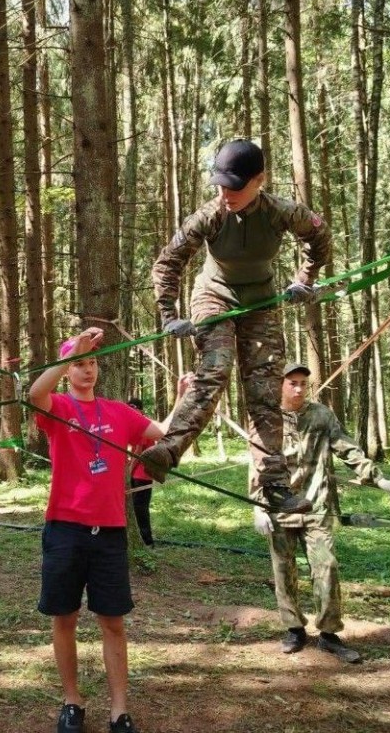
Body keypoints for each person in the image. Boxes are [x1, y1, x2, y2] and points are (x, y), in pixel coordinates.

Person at [140, 138, 332, 515]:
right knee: (215, 369)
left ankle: (274, 485)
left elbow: (319, 237)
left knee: (263, 391)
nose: (226, 193)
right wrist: (169, 316)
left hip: (260, 302)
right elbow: (167, 263)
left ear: (259, 180)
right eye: (221, 185)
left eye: (236, 186)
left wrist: (304, 279)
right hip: (214, 297)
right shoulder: (210, 216)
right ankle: (169, 448)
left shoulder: (282, 212)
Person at [30, 327, 188, 733]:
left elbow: (162, 431)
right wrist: (69, 353)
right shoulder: (59, 407)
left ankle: (119, 709)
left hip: (111, 530)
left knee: (112, 622)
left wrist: (182, 397)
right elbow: (34, 394)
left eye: (92, 362)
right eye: (79, 363)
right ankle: (72, 702)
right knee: (64, 618)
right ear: (67, 370)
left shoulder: (118, 411)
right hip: (65, 528)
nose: (87, 370)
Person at [252, 362, 390, 663]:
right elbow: (255, 464)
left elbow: (348, 450)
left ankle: (329, 633)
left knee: (327, 567)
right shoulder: (267, 418)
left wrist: (380, 479)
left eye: (302, 383)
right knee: (283, 571)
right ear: (279, 384)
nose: (298, 388)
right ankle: (294, 629)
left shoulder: (321, 415)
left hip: (316, 505)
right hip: (278, 506)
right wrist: (258, 506)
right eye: (291, 383)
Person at [126, 398, 155, 548]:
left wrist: (129, 471)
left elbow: (138, 450)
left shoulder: (142, 423)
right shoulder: (136, 422)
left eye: (133, 409)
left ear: (140, 410)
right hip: (137, 472)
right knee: (134, 507)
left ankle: (147, 540)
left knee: (140, 508)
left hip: (142, 475)